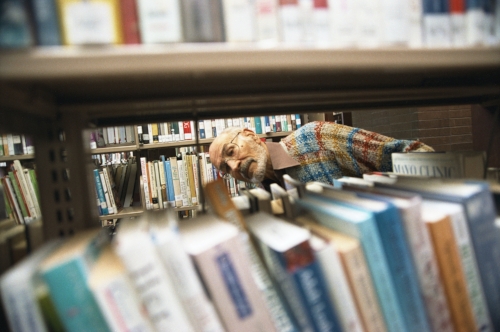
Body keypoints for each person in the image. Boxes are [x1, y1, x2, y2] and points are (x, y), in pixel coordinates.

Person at [208, 121, 434, 191]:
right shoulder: (266, 193)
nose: (234, 166)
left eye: (231, 152)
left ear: (251, 135)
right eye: (226, 169)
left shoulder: (315, 137)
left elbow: (412, 153)